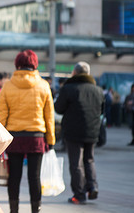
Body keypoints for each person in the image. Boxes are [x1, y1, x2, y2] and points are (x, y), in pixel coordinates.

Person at [0, 50, 55, 213]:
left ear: (17, 64)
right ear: (34, 64)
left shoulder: (7, 86)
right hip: (36, 137)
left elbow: (1, 116)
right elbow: (49, 115)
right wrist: (50, 140)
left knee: (14, 177)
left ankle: (13, 210)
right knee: (34, 177)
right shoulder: (44, 85)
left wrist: (0, 140)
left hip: (14, 138)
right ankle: (36, 210)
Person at [55, 61, 104, 204]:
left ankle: (79, 194)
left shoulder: (68, 88)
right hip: (92, 130)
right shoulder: (98, 90)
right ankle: (92, 186)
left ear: (74, 73)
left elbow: (58, 108)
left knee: (76, 163)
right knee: (89, 160)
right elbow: (102, 110)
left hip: (74, 131)